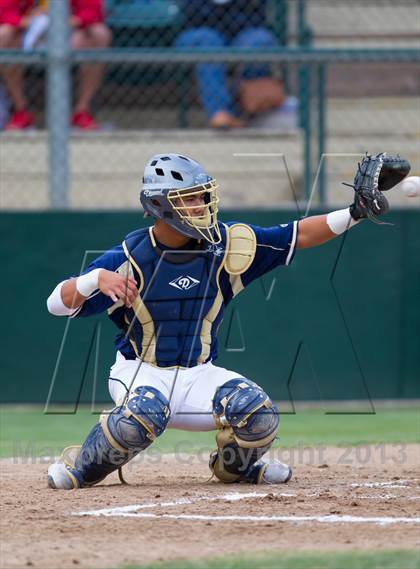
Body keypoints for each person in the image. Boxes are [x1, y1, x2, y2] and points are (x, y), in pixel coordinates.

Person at [46, 152, 409, 489]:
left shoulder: (227, 244)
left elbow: (297, 235)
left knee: (258, 413)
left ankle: (235, 469)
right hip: (140, 372)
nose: (202, 206)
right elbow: (56, 305)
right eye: (190, 198)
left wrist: (355, 212)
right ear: (160, 205)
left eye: (202, 197)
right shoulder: (129, 257)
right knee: (140, 415)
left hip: (198, 374)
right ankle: (81, 468)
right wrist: (94, 280)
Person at [0, 0, 111, 130]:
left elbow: (93, 11)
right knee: (4, 34)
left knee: (99, 33)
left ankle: (82, 111)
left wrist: (67, 21)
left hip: (69, 32)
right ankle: (20, 111)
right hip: (27, 31)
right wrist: (29, 21)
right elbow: (4, 12)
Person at [175, 0, 285, 129]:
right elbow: (191, 14)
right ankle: (220, 112)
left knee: (259, 41)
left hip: (243, 30)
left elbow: (257, 16)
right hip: (198, 32)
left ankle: (253, 108)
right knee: (209, 43)